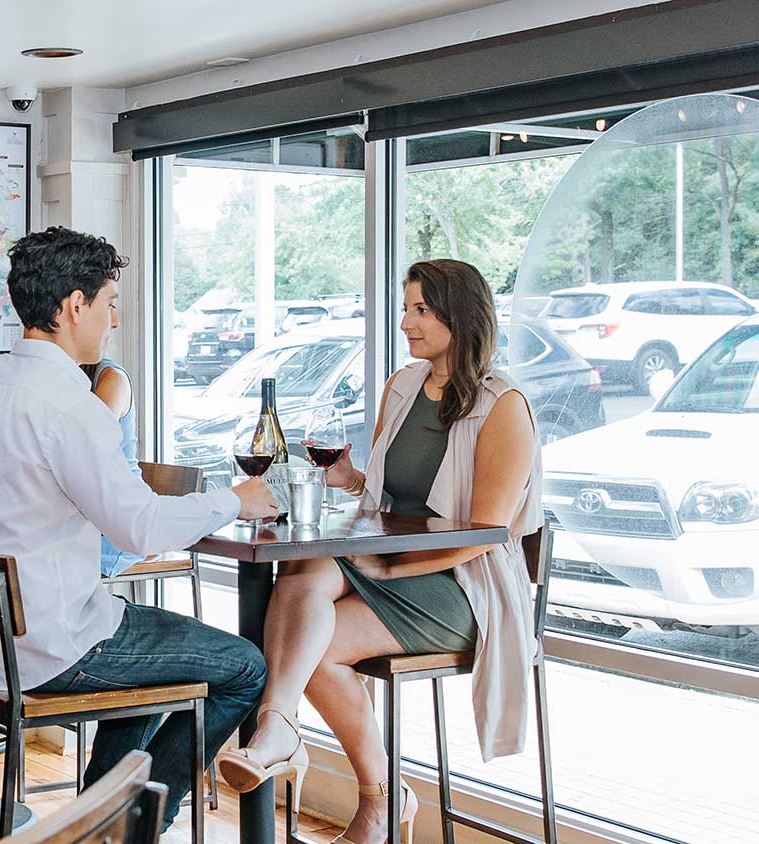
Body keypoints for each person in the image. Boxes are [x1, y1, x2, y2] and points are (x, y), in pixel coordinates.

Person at [0, 227, 279, 831]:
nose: (112, 321)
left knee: (144, 658)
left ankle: (98, 821)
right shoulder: (72, 408)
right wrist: (235, 501)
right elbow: (140, 527)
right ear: (73, 306)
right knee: (245, 666)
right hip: (58, 648)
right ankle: (124, 825)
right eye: (109, 303)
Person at [214, 259, 543, 844]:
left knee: (304, 631)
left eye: (421, 310)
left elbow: (484, 534)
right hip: (396, 570)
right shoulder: (403, 386)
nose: (407, 323)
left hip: (466, 588)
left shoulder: (504, 406)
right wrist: (349, 478)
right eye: (407, 308)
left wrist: (381, 562)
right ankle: (290, 736)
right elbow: (397, 499)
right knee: (308, 567)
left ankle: (359, 786)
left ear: (460, 316)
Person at [81, 356, 142, 577]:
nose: (114, 322)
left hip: (118, 525)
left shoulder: (112, 379)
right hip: (84, 519)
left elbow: (90, 454)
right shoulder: (58, 378)